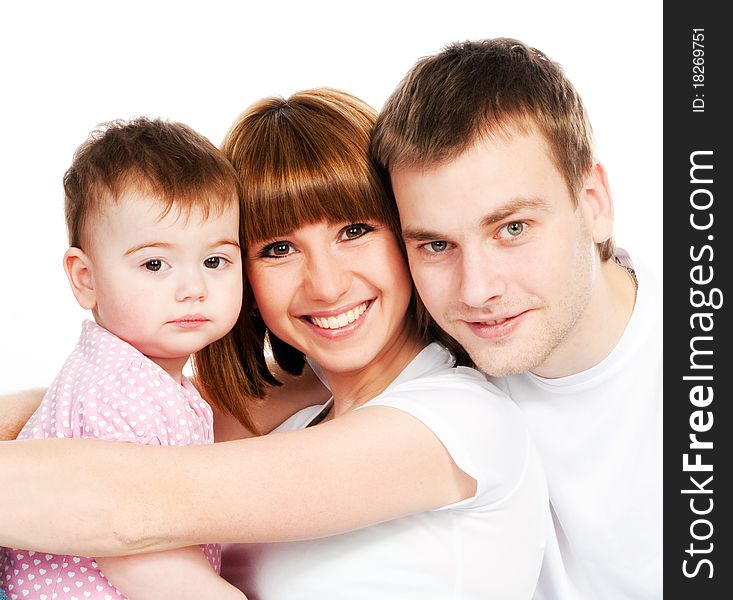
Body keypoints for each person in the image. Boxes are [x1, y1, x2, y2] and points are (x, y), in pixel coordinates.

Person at [0, 89, 548, 599]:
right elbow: (105, 411)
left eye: (354, 230)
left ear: (408, 235)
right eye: (278, 248)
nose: (327, 284)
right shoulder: (293, 419)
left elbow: (127, 507)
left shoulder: (459, 420)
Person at [369, 38, 662, 599]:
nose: (477, 291)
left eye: (513, 228)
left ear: (594, 201)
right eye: (435, 245)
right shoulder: (430, 348)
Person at [1, 118, 253, 599]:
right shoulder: (115, 391)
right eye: (155, 264)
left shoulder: (154, 380)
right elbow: (137, 552)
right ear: (86, 278)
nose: (194, 288)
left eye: (215, 260)